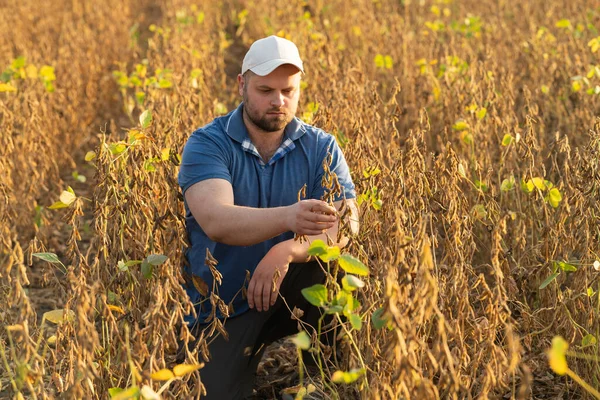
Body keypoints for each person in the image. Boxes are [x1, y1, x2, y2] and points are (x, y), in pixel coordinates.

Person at [177, 35, 359, 399]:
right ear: (241, 85)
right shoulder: (207, 144)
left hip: (291, 287)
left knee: (337, 271)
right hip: (225, 304)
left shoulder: (321, 146)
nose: (278, 101)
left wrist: (287, 252)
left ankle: (323, 372)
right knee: (214, 392)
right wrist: (290, 217)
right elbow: (217, 220)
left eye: (288, 90)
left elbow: (346, 222)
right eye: (265, 90)